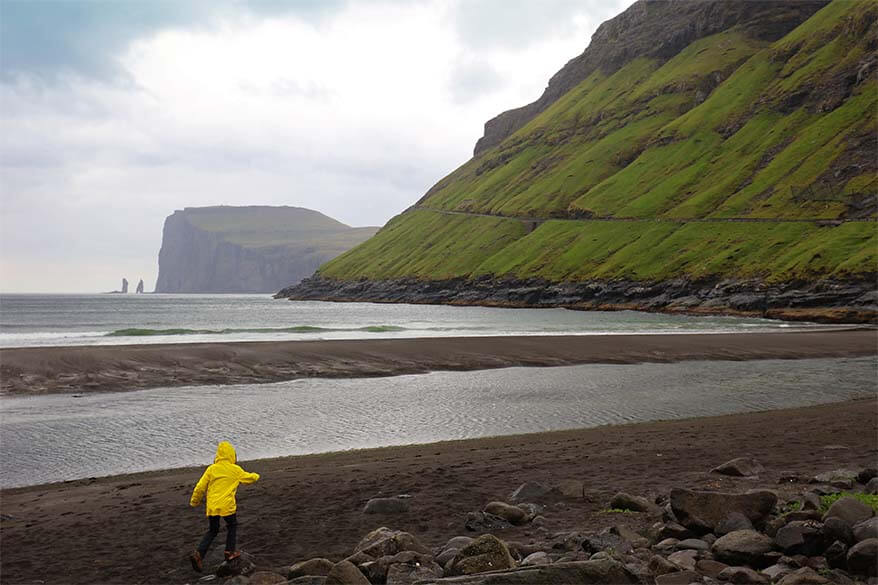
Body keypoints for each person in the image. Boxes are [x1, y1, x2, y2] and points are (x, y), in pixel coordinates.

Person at [188, 441, 260, 572]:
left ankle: (199, 554)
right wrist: (256, 475)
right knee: (232, 525)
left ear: (218, 455)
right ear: (232, 455)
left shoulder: (211, 469)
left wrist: (195, 501)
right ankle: (229, 551)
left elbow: (200, 487)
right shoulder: (235, 469)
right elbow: (248, 478)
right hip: (227, 506)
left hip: (213, 506)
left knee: (213, 530)